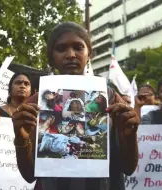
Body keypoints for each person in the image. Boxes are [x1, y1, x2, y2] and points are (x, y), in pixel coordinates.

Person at [12, 22, 139, 190]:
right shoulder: (37, 102)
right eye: (61, 48)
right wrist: (21, 139)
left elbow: (129, 168)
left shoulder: (109, 98)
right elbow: (29, 175)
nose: (71, 54)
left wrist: (129, 136)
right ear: (51, 57)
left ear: (89, 54)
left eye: (78, 47)